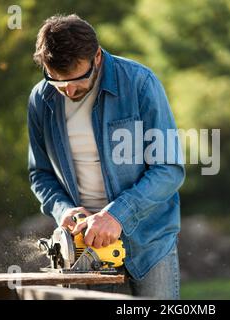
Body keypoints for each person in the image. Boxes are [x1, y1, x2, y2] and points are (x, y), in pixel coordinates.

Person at [27, 14, 185, 299]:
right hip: (84, 250)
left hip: (149, 241)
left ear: (97, 57)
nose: (69, 90)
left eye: (77, 80)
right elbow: (40, 174)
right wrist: (63, 210)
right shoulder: (40, 100)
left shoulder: (140, 83)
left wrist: (116, 215)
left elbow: (169, 168)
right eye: (57, 82)